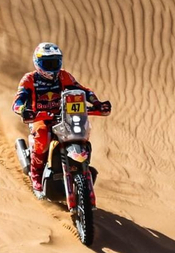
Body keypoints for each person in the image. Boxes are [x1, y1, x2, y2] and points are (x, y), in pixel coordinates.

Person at [12, 42, 110, 195]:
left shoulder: (64, 76)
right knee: (43, 135)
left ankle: (81, 167)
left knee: (82, 130)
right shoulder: (29, 79)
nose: (52, 67)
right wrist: (24, 110)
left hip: (65, 117)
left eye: (55, 62)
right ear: (38, 62)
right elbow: (17, 102)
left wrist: (97, 103)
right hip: (40, 118)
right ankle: (36, 175)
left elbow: (83, 90)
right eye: (47, 63)